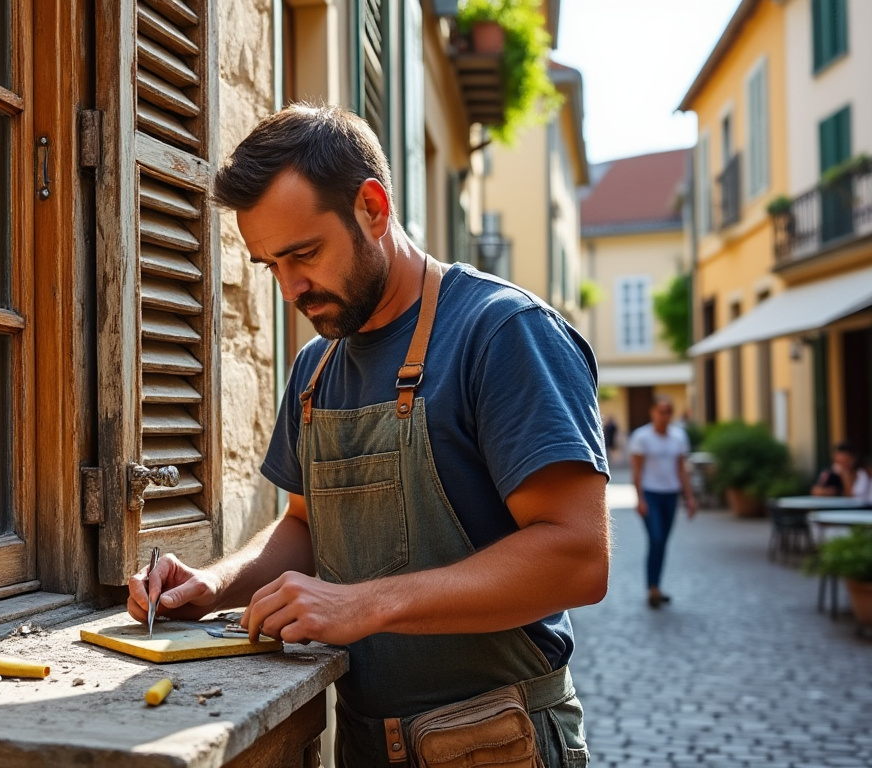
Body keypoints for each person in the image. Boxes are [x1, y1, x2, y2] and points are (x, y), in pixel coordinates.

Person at [126, 105, 609, 767]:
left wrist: (368, 604)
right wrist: (214, 584)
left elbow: (579, 557)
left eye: (304, 254)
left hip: (499, 742)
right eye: (271, 265)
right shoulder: (314, 367)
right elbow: (302, 528)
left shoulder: (501, 333)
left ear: (374, 209)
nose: (292, 287)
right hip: (359, 743)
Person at [628, 397, 698, 609]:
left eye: (668, 411)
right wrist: (639, 498)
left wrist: (689, 497)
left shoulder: (678, 437)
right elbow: (637, 470)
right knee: (656, 538)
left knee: (662, 542)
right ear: (652, 412)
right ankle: (653, 588)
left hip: (670, 495)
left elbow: (681, 469)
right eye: (661, 411)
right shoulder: (642, 437)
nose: (664, 415)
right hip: (651, 494)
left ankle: (655, 585)